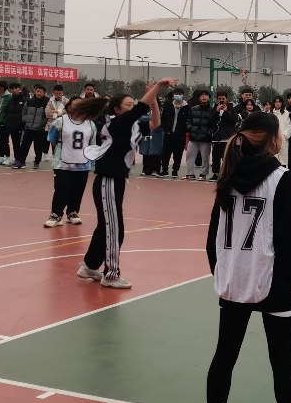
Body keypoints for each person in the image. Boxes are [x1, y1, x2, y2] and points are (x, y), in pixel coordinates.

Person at [200, 112, 291, 403]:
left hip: (235, 281)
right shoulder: (283, 180)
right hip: (274, 281)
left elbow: (212, 237)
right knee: (282, 361)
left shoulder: (227, 176)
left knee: (224, 355)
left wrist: (222, 272)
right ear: (273, 140)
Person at [77, 78, 173, 288]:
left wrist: (154, 99)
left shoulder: (133, 126)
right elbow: (140, 109)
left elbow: (156, 123)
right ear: (118, 109)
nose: (132, 107)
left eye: (132, 104)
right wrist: (158, 86)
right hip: (107, 180)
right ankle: (111, 274)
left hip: (117, 180)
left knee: (105, 226)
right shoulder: (117, 123)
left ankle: (89, 265)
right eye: (128, 105)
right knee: (114, 229)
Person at [45, 96, 97, 227]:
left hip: (82, 164)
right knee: (61, 189)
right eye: (75, 105)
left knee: (78, 189)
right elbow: (52, 139)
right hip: (62, 163)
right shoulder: (60, 121)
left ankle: (72, 212)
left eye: (81, 105)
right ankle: (56, 215)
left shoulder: (90, 124)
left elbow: (92, 143)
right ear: (68, 107)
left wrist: (91, 160)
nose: (78, 107)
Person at [11, 84, 50, 170]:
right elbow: (23, 111)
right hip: (28, 128)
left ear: (44, 93)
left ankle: (37, 162)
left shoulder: (47, 103)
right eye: (37, 91)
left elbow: (48, 115)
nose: (39, 93)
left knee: (38, 147)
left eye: (41, 92)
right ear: (35, 92)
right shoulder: (29, 101)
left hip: (40, 129)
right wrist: (25, 119)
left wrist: (43, 123)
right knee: (24, 145)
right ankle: (22, 162)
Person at [183, 89, 215, 181]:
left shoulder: (212, 110)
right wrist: (191, 129)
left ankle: (203, 174)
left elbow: (213, 123)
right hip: (193, 137)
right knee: (190, 155)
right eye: (202, 96)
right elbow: (188, 121)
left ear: (209, 98)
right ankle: (190, 174)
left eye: (206, 95)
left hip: (205, 138)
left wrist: (208, 133)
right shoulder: (193, 109)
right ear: (199, 98)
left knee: (205, 157)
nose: (204, 97)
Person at [159, 88, 190, 178]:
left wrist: (184, 131)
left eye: (180, 94)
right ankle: (164, 170)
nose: (178, 95)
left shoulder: (187, 107)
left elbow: (188, 121)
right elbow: (163, 119)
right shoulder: (168, 105)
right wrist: (166, 130)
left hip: (180, 135)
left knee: (178, 154)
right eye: (176, 94)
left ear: (183, 95)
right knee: (165, 153)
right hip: (169, 133)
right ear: (173, 95)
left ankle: (175, 171)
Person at [211, 93, 240, 180]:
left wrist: (226, 112)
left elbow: (234, 120)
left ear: (226, 99)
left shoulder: (232, 109)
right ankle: (216, 173)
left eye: (223, 98)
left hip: (227, 138)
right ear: (217, 99)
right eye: (219, 99)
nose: (221, 100)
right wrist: (217, 112)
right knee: (215, 158)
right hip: (217, 138)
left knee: (227, 157)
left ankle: (227, 174)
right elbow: (210, 121)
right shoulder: (214, 108)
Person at [0, 82, 25, 165]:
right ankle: (17, 159)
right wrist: (6, 121)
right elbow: (6, 112)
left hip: (21, 126)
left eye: (16, 88)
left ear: (19, 89)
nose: (14, 90)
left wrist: (23, 122)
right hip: (11, 126)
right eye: (12, 89)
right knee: (15, 144)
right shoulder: (10, 101)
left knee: (21, 144)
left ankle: (21, 160)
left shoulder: (25, 100)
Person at [44, 85, 68, 155]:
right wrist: (60, 113)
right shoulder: (50, 101)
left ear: (62, 92)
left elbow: (68, 111)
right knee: (52, 141)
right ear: (53, 93)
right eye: (56, 93)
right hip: (52, 124)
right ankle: (53, 156)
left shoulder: (66, 101)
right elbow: (47, 113)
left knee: (62, 142)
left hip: (63, 124)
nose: (58, 95)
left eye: (59, 93)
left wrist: (56, 111)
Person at [271, 96, 291, 167]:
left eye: (279, 102)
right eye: (276, 102)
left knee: (283, 159)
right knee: (274, 158)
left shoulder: (286, 113)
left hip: (283, 139)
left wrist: (283, 136)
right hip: (273, 139)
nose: (278, 104)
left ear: (282, 103)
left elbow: (289, 126)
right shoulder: (270, 113)